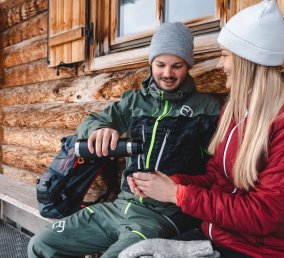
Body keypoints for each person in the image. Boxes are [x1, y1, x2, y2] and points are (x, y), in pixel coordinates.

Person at [128, 0, 284, 257]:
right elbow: (216, 179)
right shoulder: (236, 109)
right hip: (221, 235)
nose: (218, 65)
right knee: (136, 253)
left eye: (224, 55)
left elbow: (263, 215)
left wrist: (177, 195)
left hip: (267, 250)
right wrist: (170, 183)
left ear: (249, 60)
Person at [27, 22, 221, 258]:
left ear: (188, 66)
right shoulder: (134, 101)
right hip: (121, 205)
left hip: (165, 216)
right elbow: (91, 121)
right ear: (151, 63)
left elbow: (219, 174)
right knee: (42, 245)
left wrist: (177, 187)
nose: (168, 74)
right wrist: (100, 129)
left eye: (177, 66)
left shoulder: (208, 109)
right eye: (160, 65)